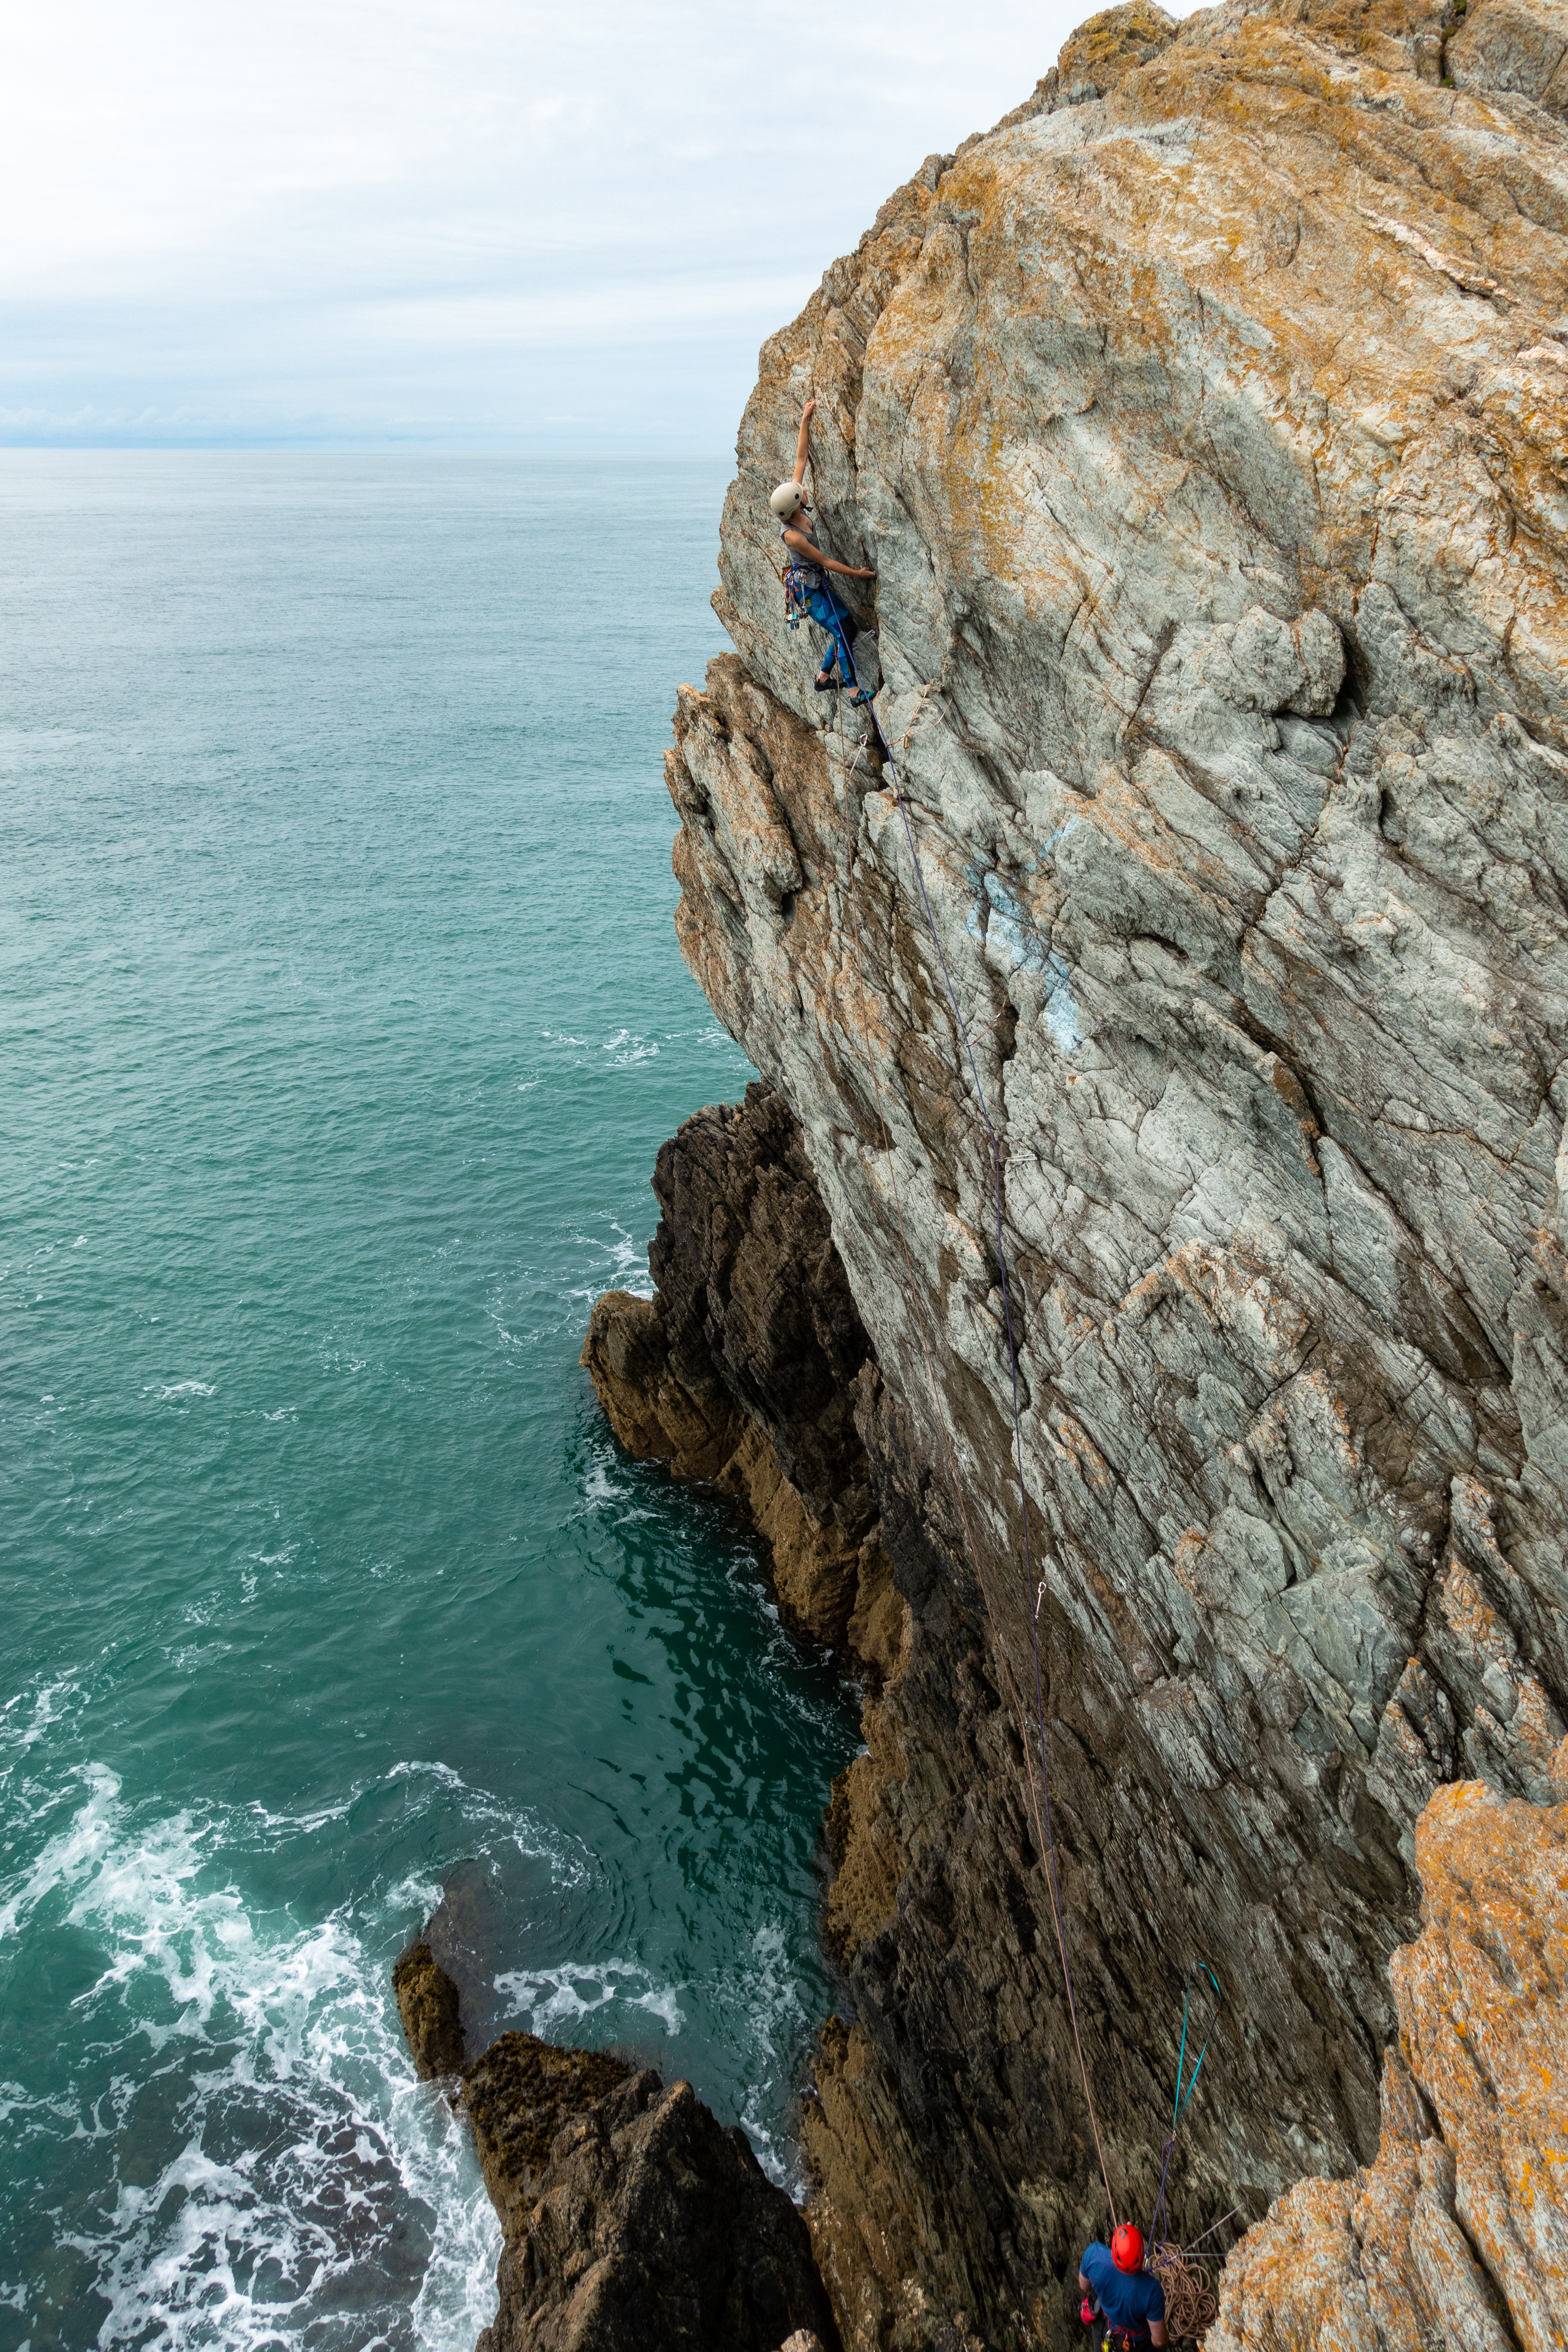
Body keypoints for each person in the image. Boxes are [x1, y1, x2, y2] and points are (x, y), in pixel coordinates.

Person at [768, 398, 877, 704]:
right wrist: (857, 574)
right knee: (842, 630)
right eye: (801, 494)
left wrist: (805, 420)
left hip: (816, 582)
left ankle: (822, 678)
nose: (804, 491)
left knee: (846, 626)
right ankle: (854, 692)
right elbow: (825, 561)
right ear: (795, 506)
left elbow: (801, 458)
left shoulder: (792, 504)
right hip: (808, 592)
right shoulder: (792, 537)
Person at [1079, 2226, 1168, 2351]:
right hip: (1136, 2344)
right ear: (1141, 2255)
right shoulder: (1152, 2290)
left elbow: (1084, 2286)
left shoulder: (1093, 2255)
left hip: (1105, 2330)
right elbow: (1159, 2341)